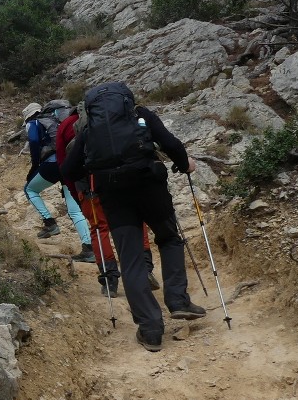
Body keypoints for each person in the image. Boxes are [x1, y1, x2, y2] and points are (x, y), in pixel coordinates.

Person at [61, 82, 206, 353]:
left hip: (114, 197)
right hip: (150, 187)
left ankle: (150, 330)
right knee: (170, 239)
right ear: (126, 101)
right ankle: (178, 302)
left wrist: (94, 172)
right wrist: (186, 164)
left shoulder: (89, 129)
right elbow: (171, 143)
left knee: (131, 260)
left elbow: (68, 169)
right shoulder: (141, 114)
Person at [55, 104, 160, 297]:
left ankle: (109, 279)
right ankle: (145, 268)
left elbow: (65, 167)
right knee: (137, 221)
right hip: (123, 183)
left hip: (89, 188)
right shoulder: (119, 120)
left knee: (99, 228)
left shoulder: (68, 125)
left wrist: (77, 194)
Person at [22, 102, 94, 261]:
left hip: (51, 164)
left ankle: (50, 223)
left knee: (29, 189)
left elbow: (34, 140)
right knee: (74, 210)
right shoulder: (56, 121)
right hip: (67, 164)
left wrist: (35, 165)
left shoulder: (34, 123)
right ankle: (89, 248)